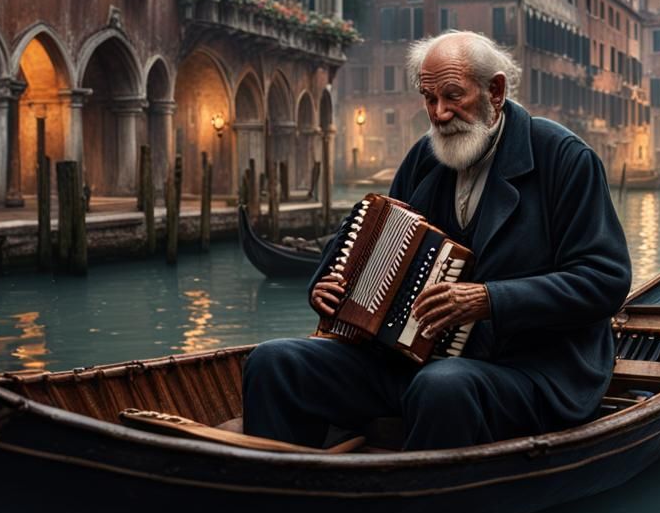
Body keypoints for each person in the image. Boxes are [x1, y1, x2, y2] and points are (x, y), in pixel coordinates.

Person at [241, 30, 631, 450]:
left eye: (452, 96)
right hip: (415, 360)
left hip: (534, 370)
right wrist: (329, 285)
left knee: (442, 386)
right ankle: (287, 493)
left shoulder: (564, 158)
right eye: (429, 99)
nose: (439, 114)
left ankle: (419, 511)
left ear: (495, 91)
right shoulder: (424, 159)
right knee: (274, 361)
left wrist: (488, 299)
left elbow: (604, 280)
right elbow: (371, 238)